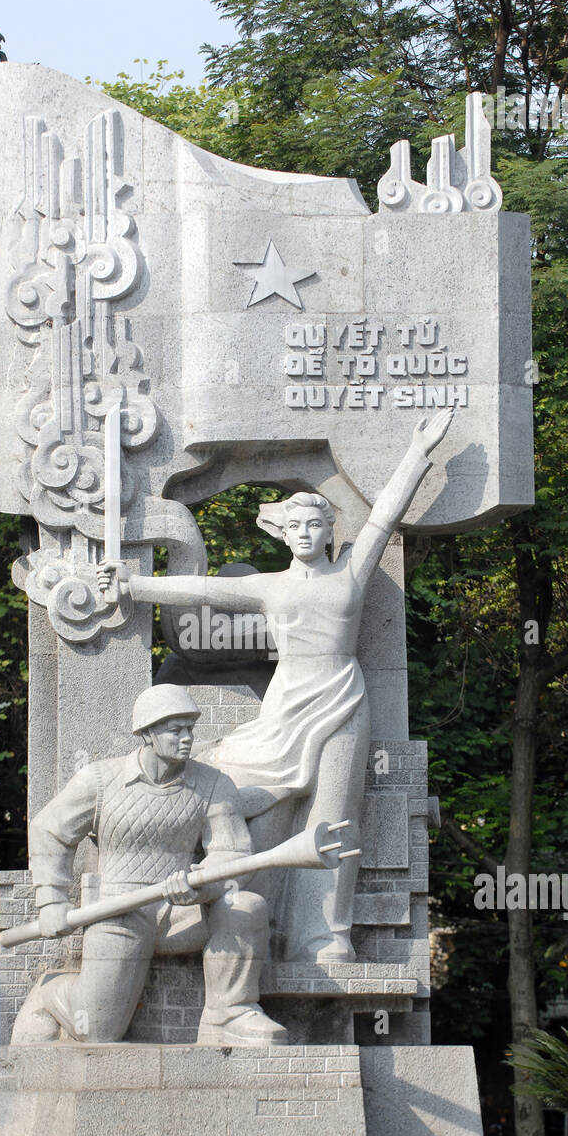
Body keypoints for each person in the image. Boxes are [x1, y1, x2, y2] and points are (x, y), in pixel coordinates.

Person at [98, 408, 454, 960]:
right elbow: (198, 591)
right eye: (296, 526)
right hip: (287, 705)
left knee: (336, 813)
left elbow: (384, 515)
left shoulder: (352, 572)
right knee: (246, 795)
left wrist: (418, 451)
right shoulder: (272, 587)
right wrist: (134, 585)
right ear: (282, 534)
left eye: (316, 524)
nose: (307, 533)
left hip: (342, 700)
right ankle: (233, 917)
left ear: (330, 531)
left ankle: (326, 937)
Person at [11, 684, 288, 1046]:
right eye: (175, 730)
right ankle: (52, 993)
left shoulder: (214, 785)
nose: (187, 738)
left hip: (183, 912)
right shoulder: (100, 780)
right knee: (96, 1030)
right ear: (147, 734)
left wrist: (201, 882)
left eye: (190, 728)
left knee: (246, 906)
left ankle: (230, 1013)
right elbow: (50, 830)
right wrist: (51, 900)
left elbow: (233, 853)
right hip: (119, 910)